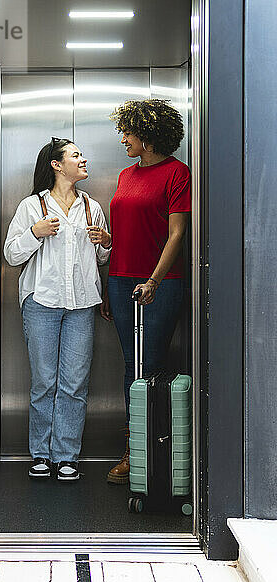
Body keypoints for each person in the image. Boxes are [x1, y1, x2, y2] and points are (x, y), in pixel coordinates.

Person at [3, 137, 111, 482]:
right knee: (44, 382)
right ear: (56, 164)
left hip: (81, 304)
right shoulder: (32, 207)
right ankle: (40, 454)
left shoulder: (92, 207)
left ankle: (66, 456)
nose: (83, 159)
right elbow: (11, 255)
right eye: (76, 155)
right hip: (41, 303)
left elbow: (102, 258)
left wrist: (106, 243)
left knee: (74, 384)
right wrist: (35, 232)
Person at [101, 99, 191, 484]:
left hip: (161, 283)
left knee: (150, 366)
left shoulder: (177, 173)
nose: (124, 138)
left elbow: (177, 233)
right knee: (129, 366)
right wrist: (109, 283)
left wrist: (153, 280)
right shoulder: (125, 175)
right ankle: (135, 449)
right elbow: (127, 232)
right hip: (121, 281)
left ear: (149, 135)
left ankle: (152, 453)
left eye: (129, 132)